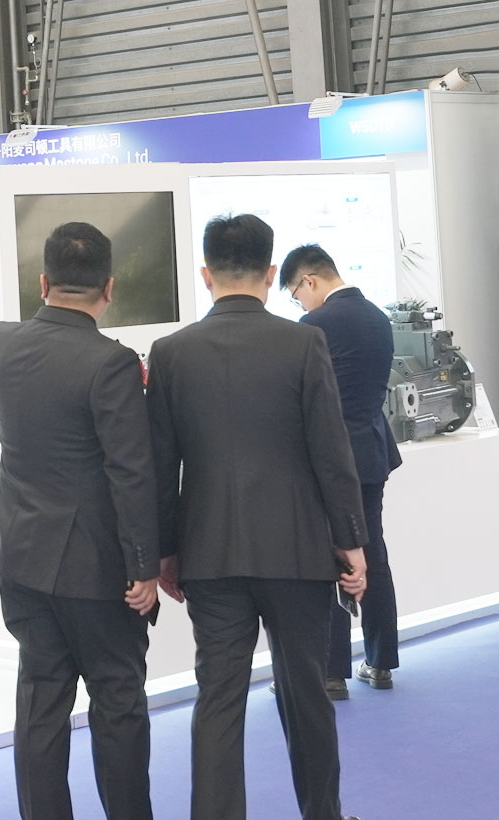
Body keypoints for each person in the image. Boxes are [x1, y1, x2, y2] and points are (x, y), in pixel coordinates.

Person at [147, 214, 368, 820]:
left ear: (205, 274)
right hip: (297, 550)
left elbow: (161, 468)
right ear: (271, 274)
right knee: (306, 695)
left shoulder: (170, 353)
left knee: (218, 699)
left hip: (209, 554)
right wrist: (351, 541)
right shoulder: (303, 343)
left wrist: (164, 552)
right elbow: (331, 453)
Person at [0, 223, 158, 820]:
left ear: (43, 282)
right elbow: (131, 472)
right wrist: (144, 566)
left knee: (40, 700)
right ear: (109, 289)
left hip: (19, 555)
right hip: (94, 567)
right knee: (118, 700)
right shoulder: (112, 363)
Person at [281, 244, 403, 695]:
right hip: (371, 454)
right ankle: (381, 662)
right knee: (373, 555)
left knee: (326, 559)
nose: (300, 304)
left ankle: (330, 673)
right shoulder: (378, 318)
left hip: (327, 462)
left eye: (296, 295)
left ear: (309, 281)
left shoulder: (313, 327)